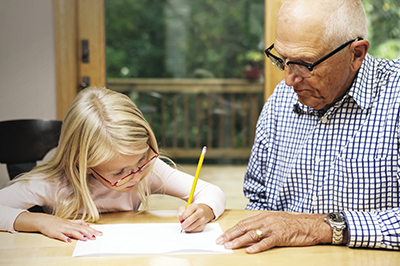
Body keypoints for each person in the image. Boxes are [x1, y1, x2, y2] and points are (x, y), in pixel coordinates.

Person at [216, 0, 400, 253]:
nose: (288, 80)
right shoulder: (281, 101)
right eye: (282, 60)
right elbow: (258, 199)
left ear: (356, 54)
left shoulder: (396, 97)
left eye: (304, 64)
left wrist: (321, 227)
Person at [0, 87, 225, 242]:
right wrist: (39, 221)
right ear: (83, 163)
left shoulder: (149, 170)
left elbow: (211, 191)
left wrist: (204, 211)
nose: (136, 176)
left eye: (141, 160)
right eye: (119, 172)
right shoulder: (53, 184)